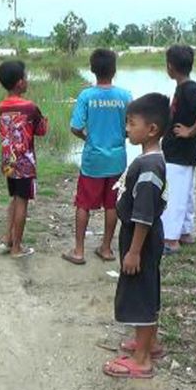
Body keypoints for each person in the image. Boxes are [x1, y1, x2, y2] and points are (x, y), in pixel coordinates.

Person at [103, 92, 169, 379]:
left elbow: (143, 213)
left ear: (151, 129)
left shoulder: (149, 167)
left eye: (131, 123)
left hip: (140, 239)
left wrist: (133, 250)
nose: (126, 129)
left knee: (140, 294)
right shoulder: (150, 159)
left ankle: (141, 360)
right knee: (148, 288)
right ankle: (149, 342)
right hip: (146, 238)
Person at [64, 49, 132, 265]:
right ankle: (106, 248)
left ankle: (79, 251)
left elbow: (75, 127)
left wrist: (88, 138)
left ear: (92, 70)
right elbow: (131, 127)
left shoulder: (86, 96)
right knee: (112, 205)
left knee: (83, 204)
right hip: (117, 160)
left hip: (93, 160)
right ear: (114, 70)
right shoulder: (125, 96)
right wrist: (121, 136)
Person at [161, 45, 196, 254]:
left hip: (181, 151)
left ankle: (170, 239)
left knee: (175, 193)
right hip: (183, 151)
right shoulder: (183, 87)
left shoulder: (189, 89)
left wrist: (191, 131)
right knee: (185, 191)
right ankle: (184, 232)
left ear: (171, 67)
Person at [0, 60, 48, 258]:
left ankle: (8, 238)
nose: (27, 81)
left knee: (14, 198)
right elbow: (41, 130)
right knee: (22, 201)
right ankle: (17, 247)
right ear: (19, 83)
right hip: (25, 163)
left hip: (8, 161)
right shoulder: (29, 107)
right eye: (25, 77)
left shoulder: (1, 106)